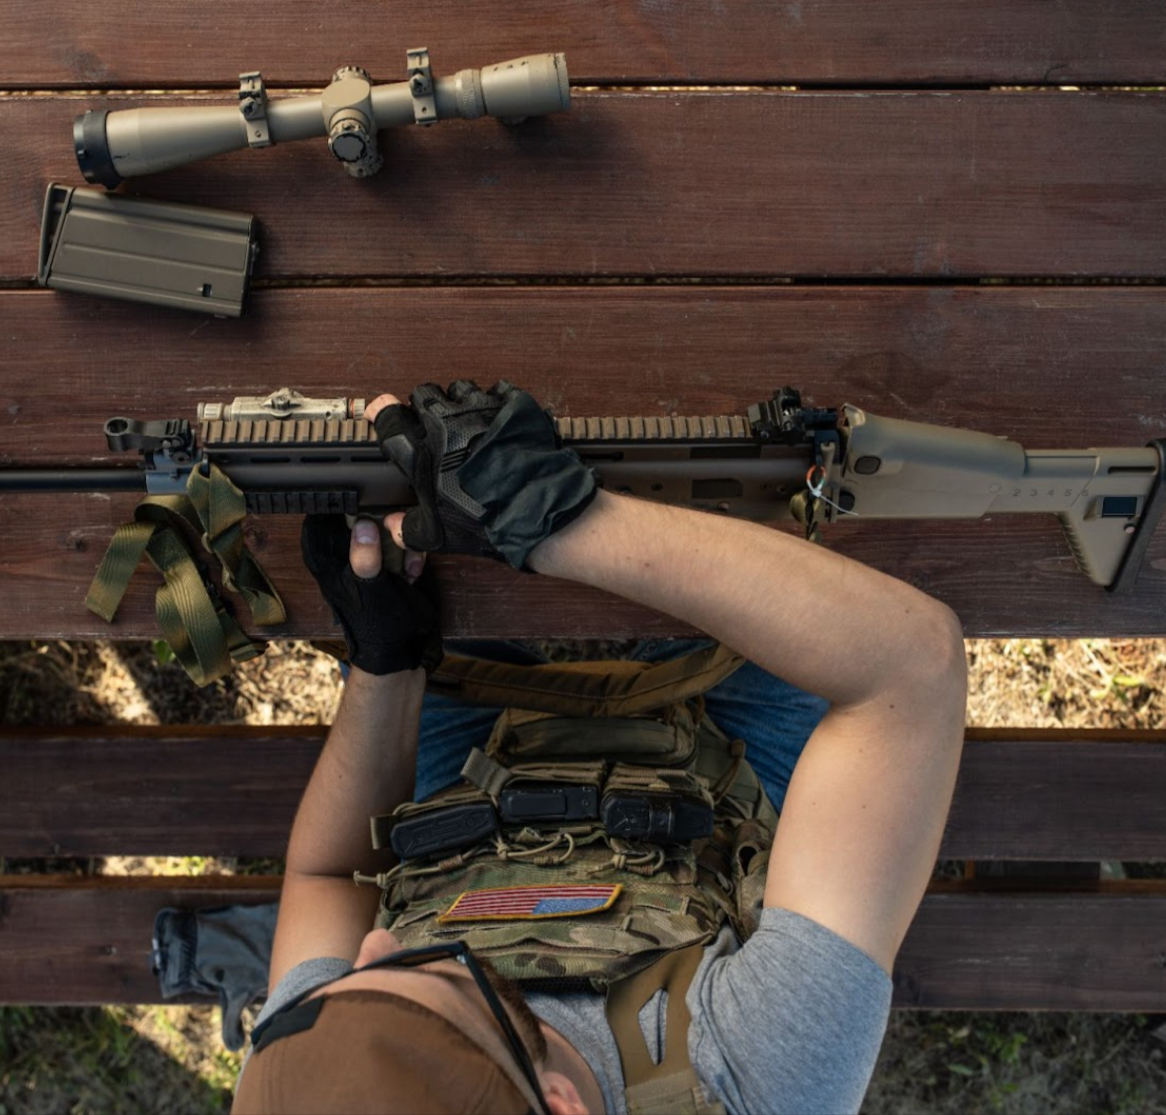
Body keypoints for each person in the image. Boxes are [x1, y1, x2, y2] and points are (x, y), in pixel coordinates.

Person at [231, 381, 967, 1114]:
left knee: (395, 484)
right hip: (720, 775)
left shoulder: (311, 1074)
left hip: (468, 796)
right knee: (746, 448)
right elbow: (910, 666)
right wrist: (562, 521)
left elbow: (329, 876)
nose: (371, 946)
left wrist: (384, 662)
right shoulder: (754, 1082)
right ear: (560, 1103)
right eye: (439, 976)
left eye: (353, 976)